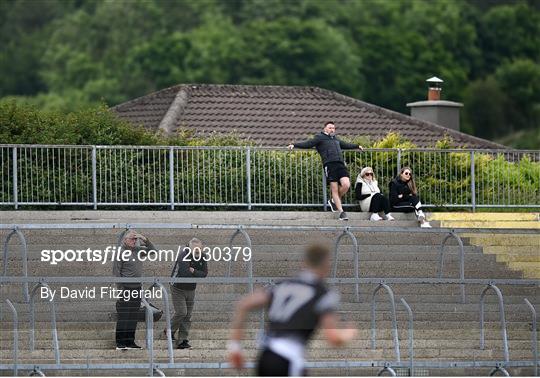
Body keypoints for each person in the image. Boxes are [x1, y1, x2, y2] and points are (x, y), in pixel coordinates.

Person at [227, 244, 357, 376]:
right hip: (289, 358)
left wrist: (235, 347)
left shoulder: (282, 285)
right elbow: (333, 337)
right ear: (326, 265)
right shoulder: (323, 293)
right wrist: (348, 334)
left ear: (304, 262)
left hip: (265, 356)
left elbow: (244, 304)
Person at [288, 121, 363, 221]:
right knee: (334, 189)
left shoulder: (335, 139)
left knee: (346, 184)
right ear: (325, 129)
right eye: (330, 128)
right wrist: (294, 145)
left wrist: (357, 146)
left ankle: (333, 201)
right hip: (329, 164)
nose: (332, 129)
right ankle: (341, 212)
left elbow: (345, 144)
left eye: (333, 128)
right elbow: (308, 144)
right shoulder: (319, 137)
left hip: (340, 164)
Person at [113, 230, 157, 350]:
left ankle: (130, 341)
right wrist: (121, 290)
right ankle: (120, 343)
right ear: (124, 240)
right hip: (126, 288)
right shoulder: (120, 252)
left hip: (137, 288)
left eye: (135, 239)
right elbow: (116, 273)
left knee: (133, 316)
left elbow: (153, 251)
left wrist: (144, 238)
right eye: (132, 239)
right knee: (124, 316)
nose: (134, 241)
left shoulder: (138, 250)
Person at [169, 238, 208, 349]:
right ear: (189, 247)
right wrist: (194, 272)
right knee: (182, 312)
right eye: (194, 248)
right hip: (177, 287)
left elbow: (204, 273)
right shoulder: (183, 254)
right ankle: (169, 331)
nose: (197, 250)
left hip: (191, 288)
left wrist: (194, 271)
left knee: (188, 315)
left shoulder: (203, 256)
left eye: (199, 248)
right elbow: (185, 272)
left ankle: (182, 340)